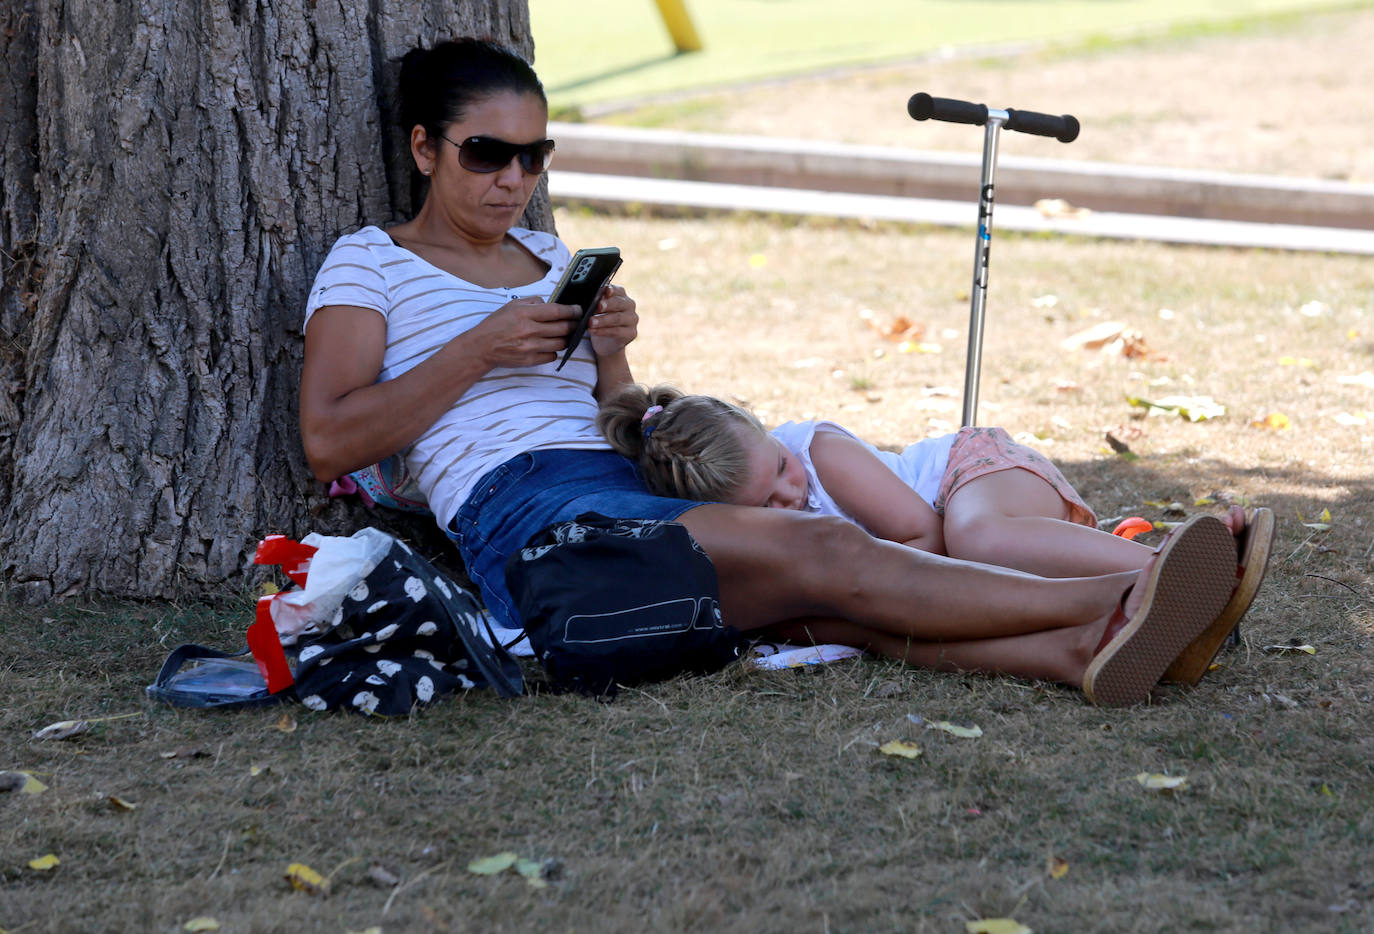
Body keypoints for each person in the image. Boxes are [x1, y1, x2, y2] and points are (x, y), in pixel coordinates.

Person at [297, 36, 1260, 707]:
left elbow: (614, 415)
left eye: (534, 155)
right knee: (833, 559)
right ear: (425, 149)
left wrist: (614, 352)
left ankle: (1082, 655)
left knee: (821, 598)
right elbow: (329, 439)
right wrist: (477, 350)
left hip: (629, 492)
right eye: (487, 154)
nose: (515, 179)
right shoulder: (371, 261)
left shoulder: (549, 262)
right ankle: (1127, 603)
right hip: (539, 537)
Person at [599, 384, 1274, 685]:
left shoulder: (818, 452)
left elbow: (925, 540)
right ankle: (1166, 618)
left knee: (976, 539)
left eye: (778, 467)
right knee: (963, 587)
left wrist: (885, 594)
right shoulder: (770, 531)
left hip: (971, 478)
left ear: (766, 430)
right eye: (767, 504)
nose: (790, 492)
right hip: (973, 546)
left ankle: (1169, 567)